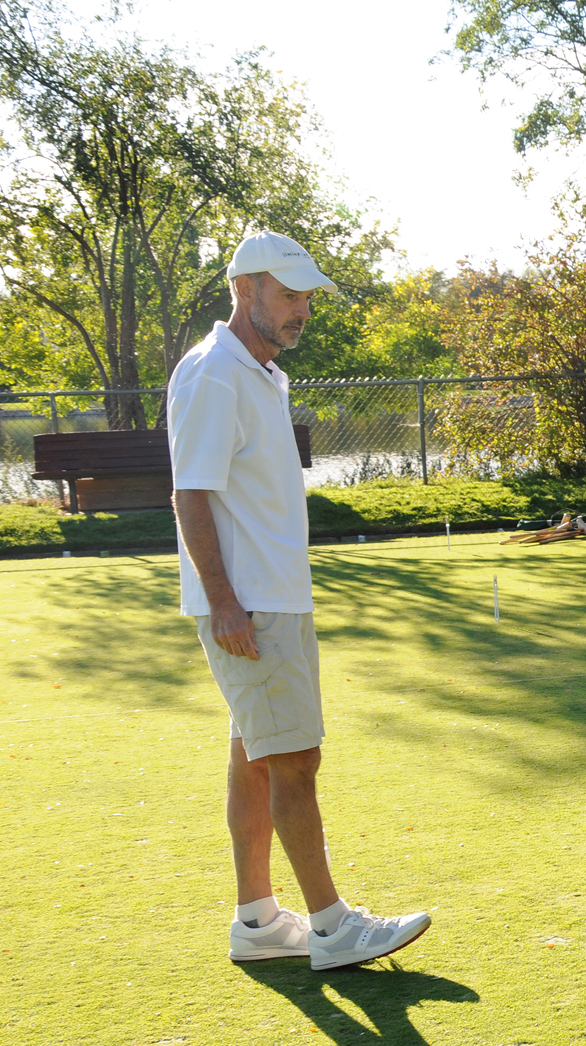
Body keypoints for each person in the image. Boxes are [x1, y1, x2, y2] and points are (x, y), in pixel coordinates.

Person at [170, 230, 432, 971]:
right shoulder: (215, 373)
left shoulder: (258, 372)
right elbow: (190, 495)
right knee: (295, 761)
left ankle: (258, 921)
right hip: (251, 603)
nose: (302, 311)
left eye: (307, 297)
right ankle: (332, 926)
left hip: (270, 595)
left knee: (258, 758)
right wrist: (225, 603)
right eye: (288, 295)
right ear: (244, 288)